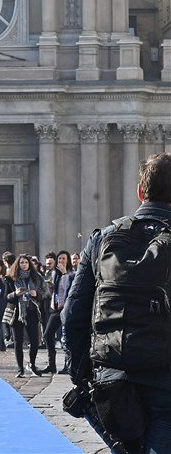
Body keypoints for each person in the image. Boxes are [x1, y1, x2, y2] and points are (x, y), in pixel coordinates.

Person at [63, 152, 171, 453]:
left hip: (113, 378)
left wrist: (81, 375)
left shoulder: (102, 238)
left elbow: (73, 314)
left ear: (140, 193)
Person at [3, 254, 46, 378]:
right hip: (17, 314)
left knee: (34, 340)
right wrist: (15, 294)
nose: (24, 265)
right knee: (18, 342)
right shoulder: (11, 278)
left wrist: (36, 294)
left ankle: (32, 364)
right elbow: (6, 297)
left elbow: (44, 293)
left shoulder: (36, 277)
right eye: (21, 262)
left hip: (32, 311)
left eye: (26, 262)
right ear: (18, 264)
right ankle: (20, 368)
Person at [43, 250, 71, 375]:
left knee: (67, 337)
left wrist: (64, 274)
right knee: (48, 334)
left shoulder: (71, 274)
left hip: (66, 308)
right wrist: (51, 287)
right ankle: (51, 365)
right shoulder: (55, 274)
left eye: (63, 259)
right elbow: (54, 292)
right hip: (56, 308)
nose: (61, 261)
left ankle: (68, 365)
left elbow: (67, 289)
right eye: (59, 259)